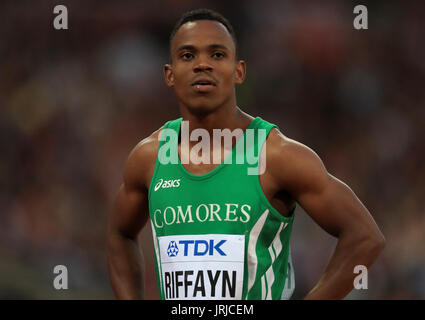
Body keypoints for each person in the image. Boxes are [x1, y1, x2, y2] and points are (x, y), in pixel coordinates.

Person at [107, 8, 385, 300]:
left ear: (238, 71)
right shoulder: (149, 158)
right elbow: (119, 234)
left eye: (217, 55)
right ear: (170, 74)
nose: (202, 64)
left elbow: (365, 238)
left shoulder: (276, 155)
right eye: (188, 55)